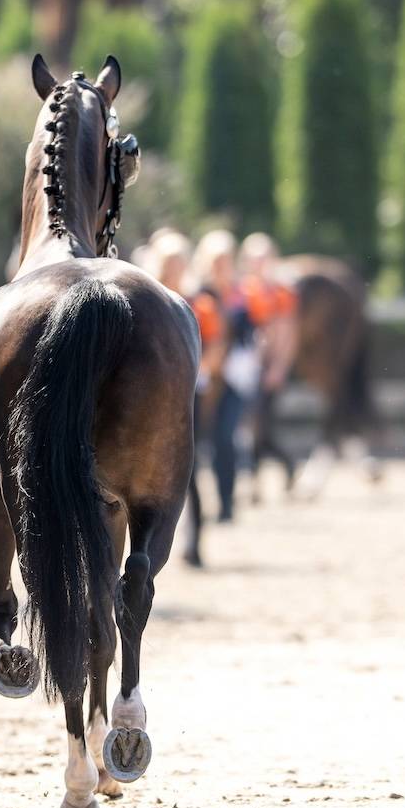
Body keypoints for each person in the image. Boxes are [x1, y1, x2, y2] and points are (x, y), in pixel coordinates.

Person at [141, 229, 223, 565]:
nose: (174, 268)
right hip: (147, 395)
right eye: (168, 262)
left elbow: (217, 349)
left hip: (188, 393)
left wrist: (190, 372)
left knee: (188, 467)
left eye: (178, 262)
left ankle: (194, 541)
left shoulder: (199, 304)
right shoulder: (143, 300)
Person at [191, 230, 258, 522]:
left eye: (225, 260)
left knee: (225, 438)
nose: (221, 266)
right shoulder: (198, 295)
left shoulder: (241, 296)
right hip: (202, 379)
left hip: (232, 379)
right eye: (216, 260)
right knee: (196, 444)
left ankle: (227, 503)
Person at [238, 232, 298, 494]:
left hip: (266, 368)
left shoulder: (280, 291)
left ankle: (273, 470)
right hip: (246, 368)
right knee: (250, 424)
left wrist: (278, 367)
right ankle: (260, 476)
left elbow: (287, 332)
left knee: (261, 425)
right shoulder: (245, 289)